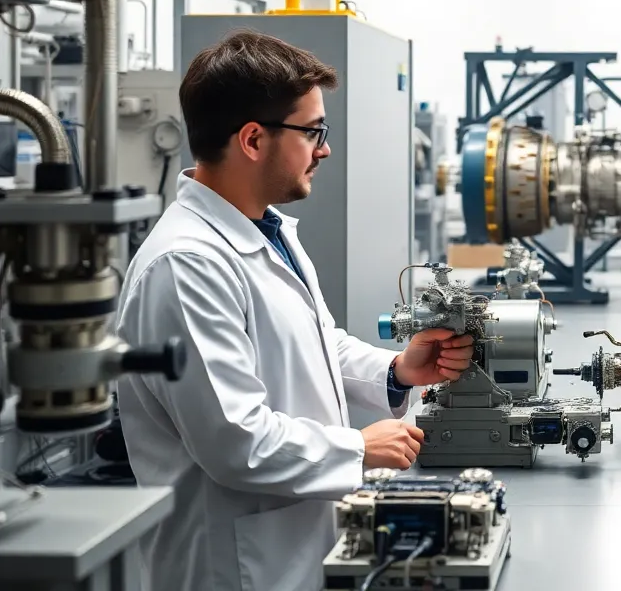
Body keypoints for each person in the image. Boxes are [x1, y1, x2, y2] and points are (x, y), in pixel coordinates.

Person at [115, 29, 474, 591]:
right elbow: (237, 442)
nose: (324, 148)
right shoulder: (186, 265)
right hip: (233, 563)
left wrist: (395, 369)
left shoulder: (265, 229)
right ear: (254, 140)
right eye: (312, 132)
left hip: (294, 541)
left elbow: (314, 339)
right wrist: (361, 447)